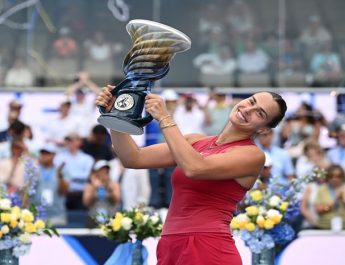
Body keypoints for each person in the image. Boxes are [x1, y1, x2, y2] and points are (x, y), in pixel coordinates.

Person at [96, 86, 287, 265]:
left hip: (208, 247)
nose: (248, 109)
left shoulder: (252, 155)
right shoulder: (195, 140)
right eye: (251, 101)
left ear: (264, 129)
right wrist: (116, 115)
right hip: (170, 245)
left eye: (259, 113)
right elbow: (133, 158)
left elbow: (194, 168)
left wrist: (164, 117)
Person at [83, 160, 121, 228]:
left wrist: (109, 187)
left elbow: (116, 200)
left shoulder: (114, 184)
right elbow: (86, 203)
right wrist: (94, 187)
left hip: (111, 218)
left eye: (106, 170)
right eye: (101, 170)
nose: (104, 172)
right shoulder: (90, 186)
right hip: (93, 219)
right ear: (96, 172)